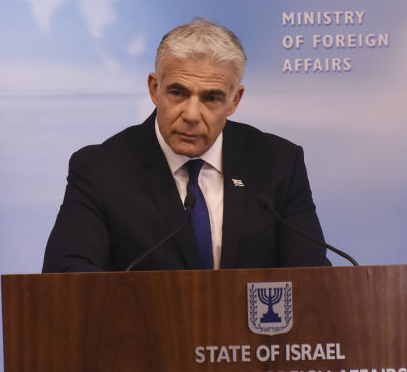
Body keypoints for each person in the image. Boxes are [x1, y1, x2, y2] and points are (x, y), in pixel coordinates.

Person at [42, 18, 329, 272]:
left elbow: (313, 279)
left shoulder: (277, 164)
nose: (192, 115)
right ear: (155, 89)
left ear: (234, 100)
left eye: (211, 98)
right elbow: (67, 275)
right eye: (178, 93)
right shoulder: (100, 170)